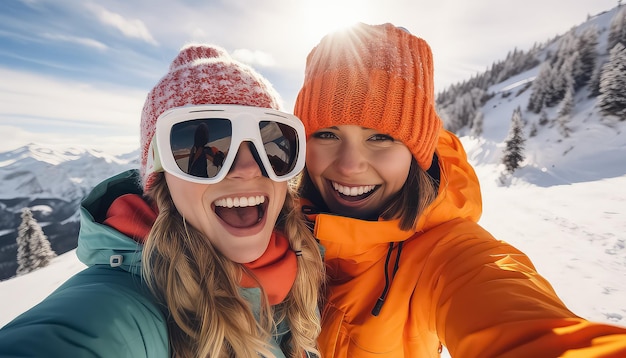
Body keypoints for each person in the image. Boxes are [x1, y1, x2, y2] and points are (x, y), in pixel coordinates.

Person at [293, 22, 626, 357]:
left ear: (416, 153)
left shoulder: (445, 254)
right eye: (327, 134)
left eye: (380, 137)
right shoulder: (270, 227)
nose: (350, 165)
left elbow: (522, 322)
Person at [0, 44, 324, 358]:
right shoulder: (131, 302)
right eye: (211, 149)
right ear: (160, 180)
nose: (248, 168)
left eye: (271, 144)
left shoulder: (307, 267)